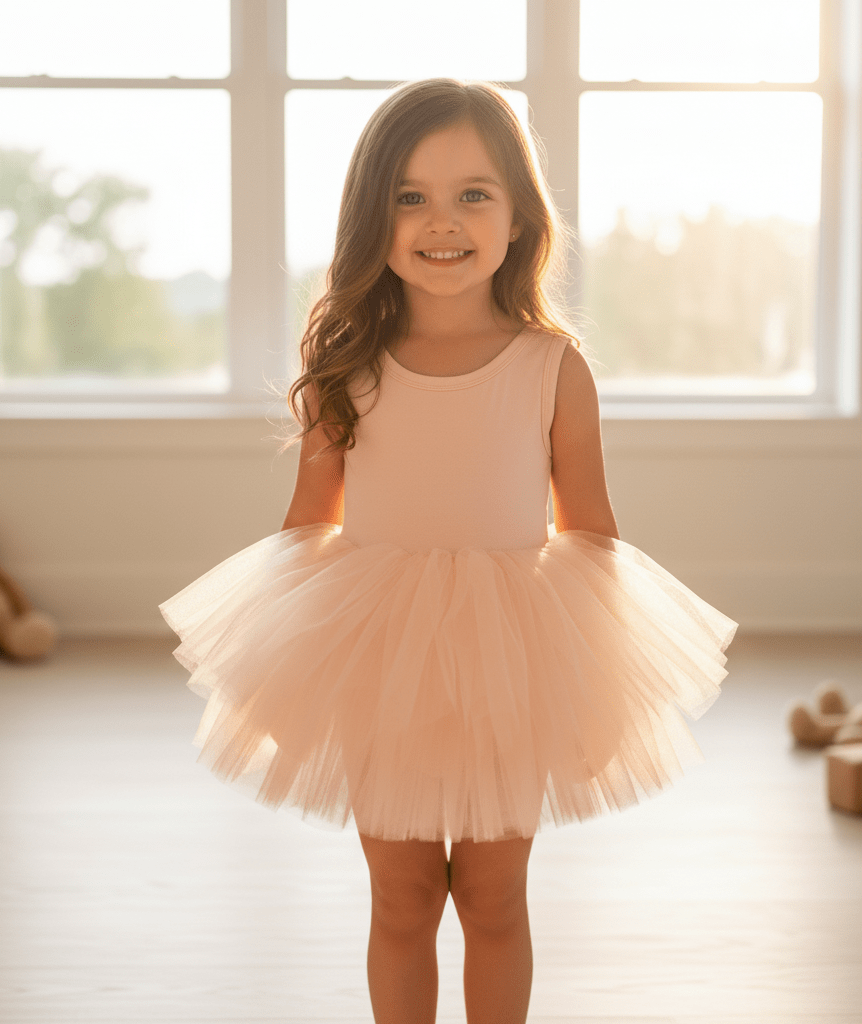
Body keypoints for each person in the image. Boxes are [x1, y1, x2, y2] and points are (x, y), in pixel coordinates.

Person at [161, 79, 736, 1024]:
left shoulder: (554, 365)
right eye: (410, 195)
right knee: (402, 898)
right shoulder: (347, 357)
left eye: (474, 193)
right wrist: (289, 665)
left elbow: (590, 527)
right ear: (372, 215)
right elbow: (310, 517)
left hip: (510, 659)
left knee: (495, 898)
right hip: (379, 653)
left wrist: (592, 697)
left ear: (519, 216)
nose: (443, 221)